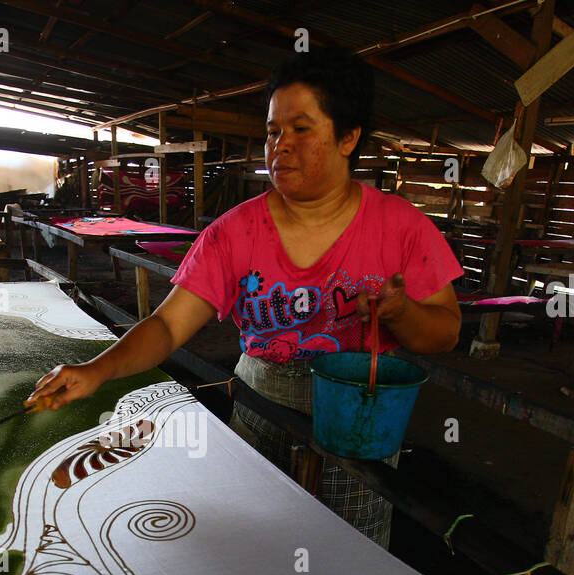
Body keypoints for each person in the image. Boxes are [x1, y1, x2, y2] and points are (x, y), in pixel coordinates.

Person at [27, 51, 462, 547]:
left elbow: (445, 332)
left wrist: (401, 313)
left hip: (358, 428)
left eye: (301, 130)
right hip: (260, 410)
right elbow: (169, 327)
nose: (281, 147)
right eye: (274, 132)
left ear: (348, 137)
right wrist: (98, 369)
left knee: (349, 555)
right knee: (254, 547)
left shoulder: (399, 227)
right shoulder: (234, 232)